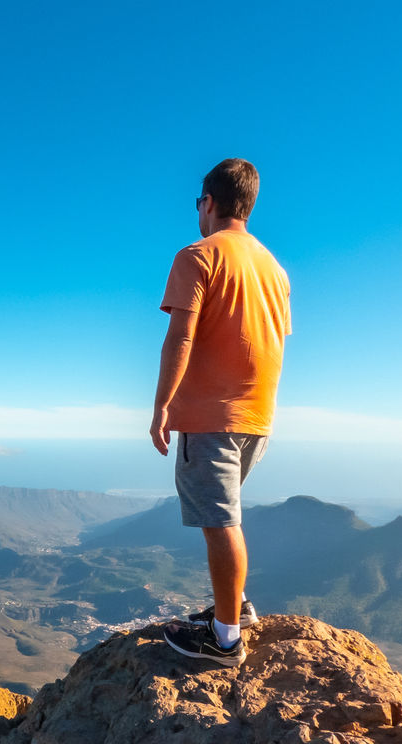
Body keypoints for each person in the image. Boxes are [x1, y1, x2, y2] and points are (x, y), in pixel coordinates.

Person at [150, 158, 292, 667]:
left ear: (207, 203)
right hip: (258, 418)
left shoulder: (198, 255)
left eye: (197, 204)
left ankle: (225, 639)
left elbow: (181, 335)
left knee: (220, 522)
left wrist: (164, 403)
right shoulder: (275, 270)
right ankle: (237, 608)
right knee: (225, 515)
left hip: (211, 417)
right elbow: (271, 342)